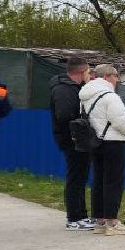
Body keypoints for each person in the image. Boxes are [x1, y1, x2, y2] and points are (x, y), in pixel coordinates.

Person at [78, 65, 125, 235]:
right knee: (114, 181)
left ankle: (100, 221)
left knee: (98, 180)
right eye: (115, 75)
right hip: (114, 142)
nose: (117, 79)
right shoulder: (110, 96)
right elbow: (120, 121)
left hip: (95, 142)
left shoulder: (85, 96)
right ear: (106, 77)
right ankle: (112, 222)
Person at [49, 59, 95, 229]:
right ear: (81, 71)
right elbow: (65, 115)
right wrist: (82, 121)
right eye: (88, 71)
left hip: (78, 139)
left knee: (81, 176)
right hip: (72, 139)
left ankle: (81, 215)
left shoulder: (74, 87)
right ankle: (74, 218)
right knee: (75, 177)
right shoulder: (64, 88)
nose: (89, 75)